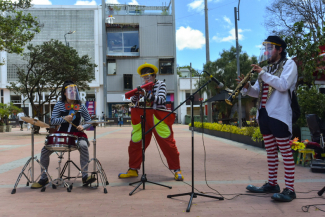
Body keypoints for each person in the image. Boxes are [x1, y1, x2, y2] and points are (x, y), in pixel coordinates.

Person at [238, 36, 298, 202]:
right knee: (271, 152)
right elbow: (257, 92)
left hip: (279, 114)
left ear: (279, 50)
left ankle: (290, 189)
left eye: (270, 48)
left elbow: (283, 85)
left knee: (285, 152)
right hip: (263, 114)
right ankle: (272, 183)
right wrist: (246, 87)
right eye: (266, 48)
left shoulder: (289, 64)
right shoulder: (266, 69)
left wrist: (263, 74)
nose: (267, 51)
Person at [118, 63, 184, 181]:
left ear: (154, 76)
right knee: (135, 142)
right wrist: (136, 95)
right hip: (143, 117)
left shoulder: (161, 84)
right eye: (144, 77)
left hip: (158, 117)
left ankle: (177, 169)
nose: (146, 79)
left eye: (148, 77)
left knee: (168, 143)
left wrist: (146, 95)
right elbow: (133, 104)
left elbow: (161, 99)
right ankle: (133, 169)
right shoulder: (142, 86)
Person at [31, 80, 96, 189]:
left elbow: (89, 121)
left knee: (84, 146)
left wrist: (83, 127)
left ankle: (85, 176)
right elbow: (52, 121)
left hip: (77, 134)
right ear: (64, 93)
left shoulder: (81, 106)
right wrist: (64, 119)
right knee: (44, 151)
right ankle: (43, 177)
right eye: (69, 90)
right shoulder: (59, 105)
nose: (72, 92)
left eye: (74, 90)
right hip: (62, 134)